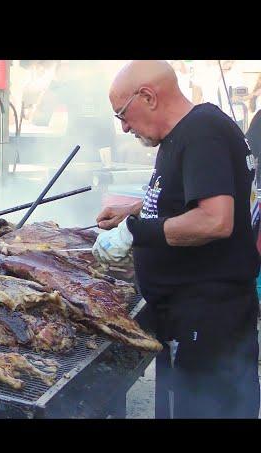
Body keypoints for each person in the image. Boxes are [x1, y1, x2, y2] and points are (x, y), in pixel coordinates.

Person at [92, 60, 260, 418]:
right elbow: (184, 196)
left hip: (208, 325)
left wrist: (135, 232)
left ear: (149, 96)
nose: (122, 127)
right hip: (189, 318)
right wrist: (135, 211)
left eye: (122, 113)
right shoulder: (185, 134)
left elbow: (216, 221)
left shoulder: (202, 134)